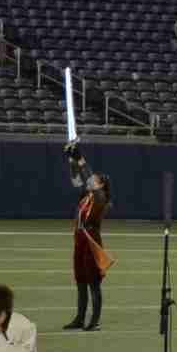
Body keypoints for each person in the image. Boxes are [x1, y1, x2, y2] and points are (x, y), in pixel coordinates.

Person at [63, 141, 111, 331]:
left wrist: (81, 158)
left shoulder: (100, 198)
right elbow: (76, 180)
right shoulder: (87, 196)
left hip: (91, 241)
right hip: (80, 239)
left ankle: (95, 321)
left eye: (95, 180)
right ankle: (80, 318)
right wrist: (71, 160)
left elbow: (88, 177)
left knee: (93, 283)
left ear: (101, 185)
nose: (91, 181)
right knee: (81, 280)